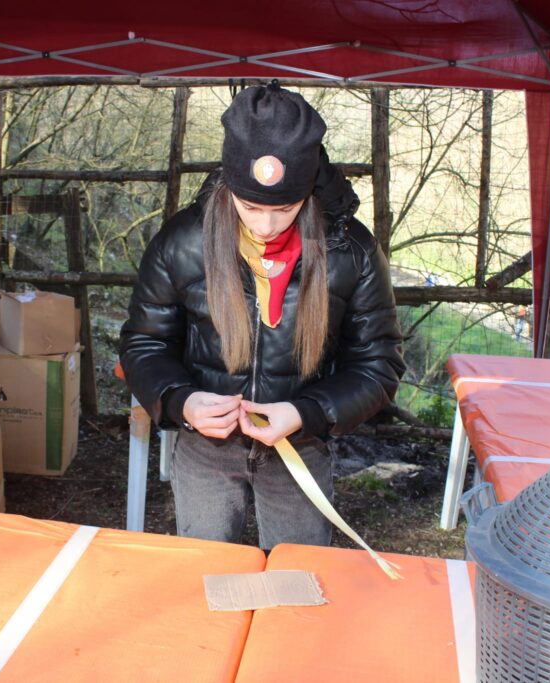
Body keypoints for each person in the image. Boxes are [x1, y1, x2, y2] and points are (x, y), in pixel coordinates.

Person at [119, 82, 405, 550]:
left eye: (286, 209)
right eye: (250, 206)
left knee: (297, 580)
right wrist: (180, 401)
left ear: (308, 190)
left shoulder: (351, 251)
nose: (266, 225)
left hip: (299, 445)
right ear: (229, 183)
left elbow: (379, 365)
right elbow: (143, 343)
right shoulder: (181, 242)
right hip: (206, 448)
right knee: (205, 572)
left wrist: (304, 412)